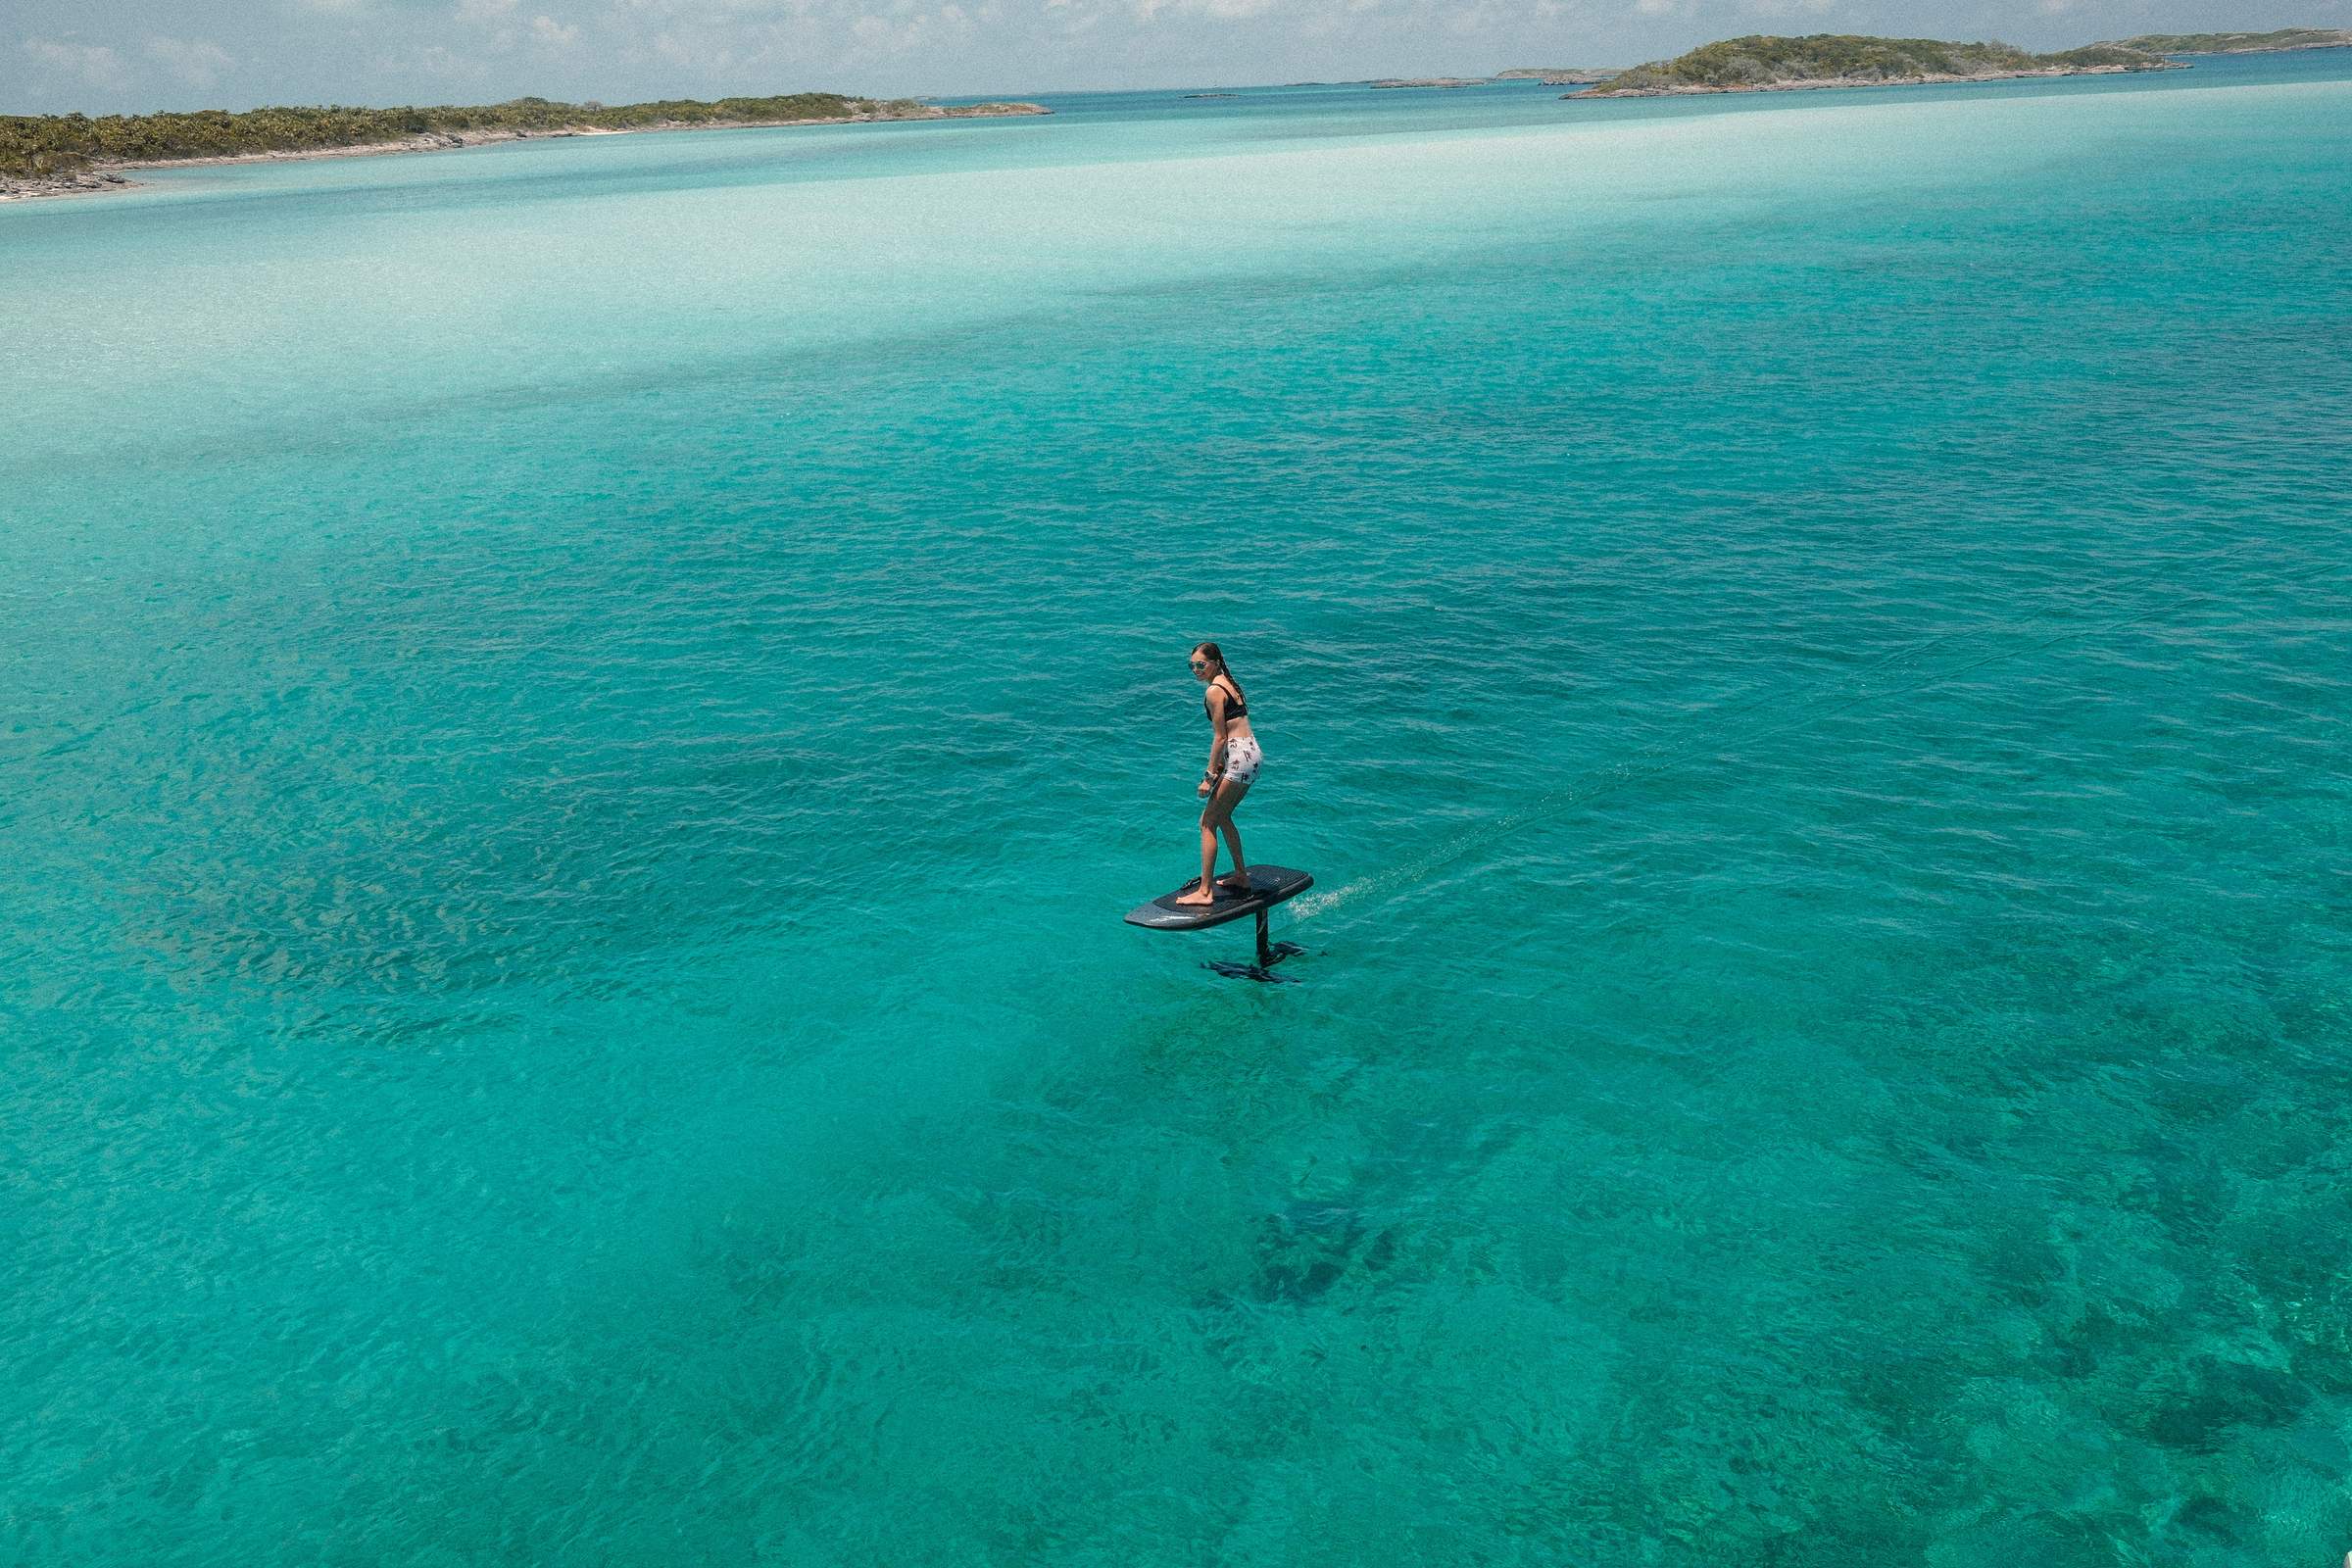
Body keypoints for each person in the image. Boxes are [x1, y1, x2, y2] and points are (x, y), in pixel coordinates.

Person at [1174, 641, 1262, 906]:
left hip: (1237, 756)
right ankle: (1240, 876)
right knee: (1223, 816)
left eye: (1201, 665)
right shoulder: (1229, 682)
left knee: (1207, 821)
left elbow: (1221, 738)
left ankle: (1204, 892)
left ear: (1215, 662)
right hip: (1252, 755)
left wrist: (1209, 777)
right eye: (1192, 666)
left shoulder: (1214, 691)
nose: (1196, 670)